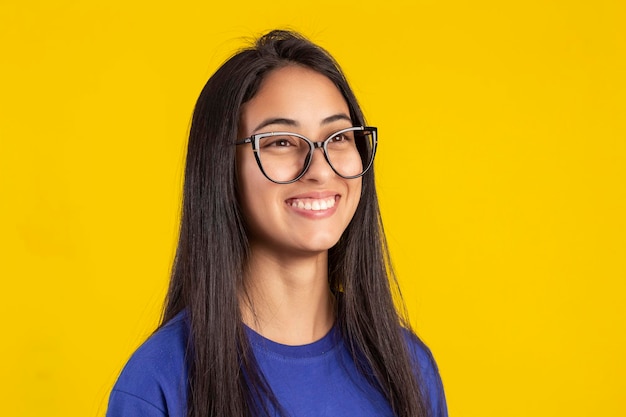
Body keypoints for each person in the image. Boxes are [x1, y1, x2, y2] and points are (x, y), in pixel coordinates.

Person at [107, 29, 447, 417]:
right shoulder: (159, 380)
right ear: (222, 167)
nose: (320, 170)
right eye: (281, 142)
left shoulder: (409, 368)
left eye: (338, 136)